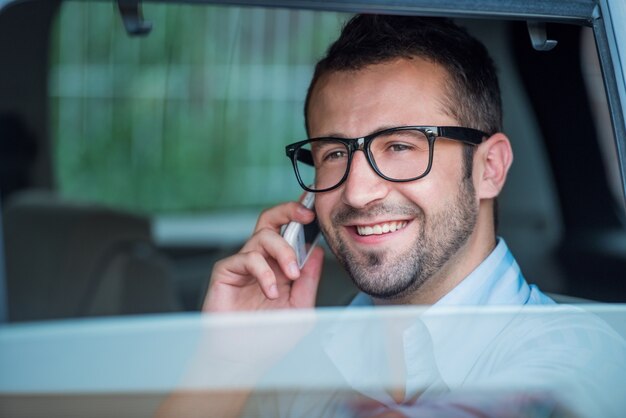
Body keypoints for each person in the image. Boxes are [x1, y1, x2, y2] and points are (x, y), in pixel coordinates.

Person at [161, 14, 626, 418]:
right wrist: (225, 365)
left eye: (401, 146)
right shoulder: (301, 358)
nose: (358, 193)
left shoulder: (581, 358)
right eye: (335, 153)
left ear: (489, 168)